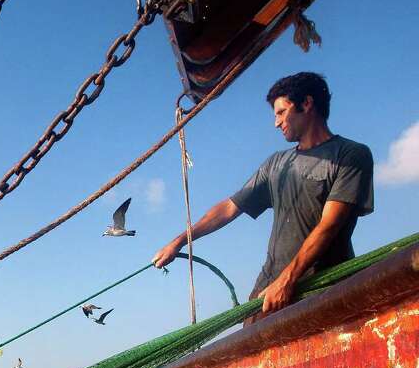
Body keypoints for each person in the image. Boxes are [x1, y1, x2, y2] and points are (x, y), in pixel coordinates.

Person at [151, 72, 373, 317]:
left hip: (323, 287)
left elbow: (329, 225)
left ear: (307, 104)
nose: (276, 123)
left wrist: (287, 280)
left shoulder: (350, 155)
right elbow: (229, 208)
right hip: (267, 291)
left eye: (280, 112)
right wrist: (180, 241)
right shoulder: (277, 163)